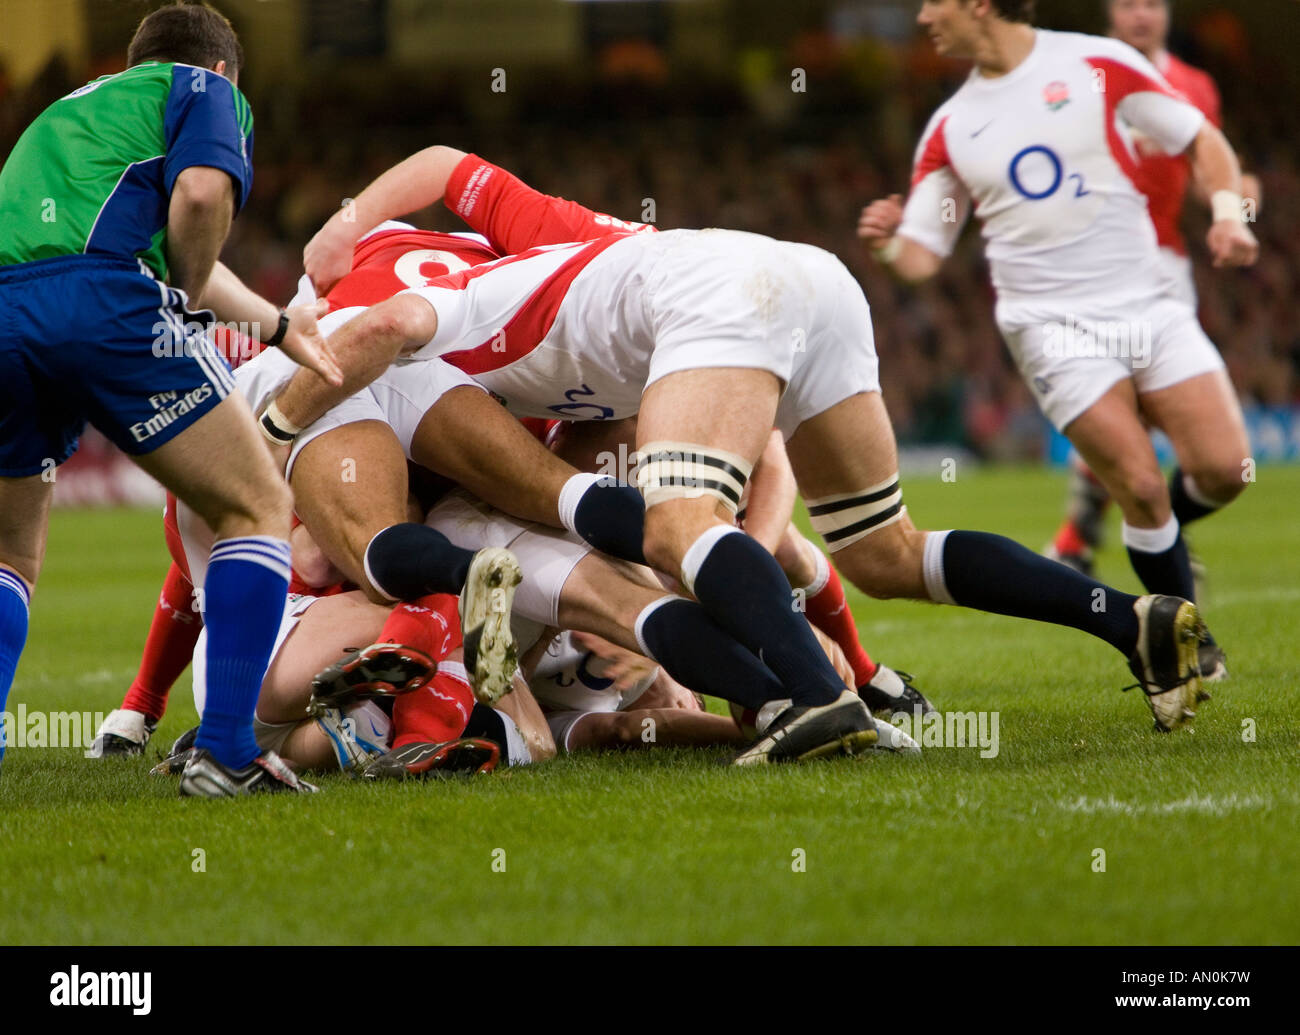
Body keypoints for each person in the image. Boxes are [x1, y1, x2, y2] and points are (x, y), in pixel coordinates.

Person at [265, 147, 1212, 753]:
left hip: (719, 299)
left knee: (682, 526)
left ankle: (813, 697)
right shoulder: (544, 241)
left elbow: (388, 323)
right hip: (809, 281)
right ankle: (1131, 618)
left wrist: (269, 434)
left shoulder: (454, 317)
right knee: (882, 549)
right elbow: (446, 165)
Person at [858, 0, 1256, 683]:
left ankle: (1161, 574)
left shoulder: (1097, 65)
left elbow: (1202, 140)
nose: (924, 17)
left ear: (980, 4)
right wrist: (891, 245)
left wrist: (1228, 214)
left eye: (934, 3)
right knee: (1138, 484)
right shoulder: (951, 126)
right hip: (1051, 325)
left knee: (1224, 469)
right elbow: (924, 255)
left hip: (1151, 300)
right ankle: (1184, 642)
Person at [0, 2, 342, 795]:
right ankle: (227, 750)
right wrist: (176, 302)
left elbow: (163, 232)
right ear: (222, 68)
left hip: (8, 310)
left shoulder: (69, 113)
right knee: (256, 504)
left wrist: (280, 326)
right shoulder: (204, 84)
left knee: (12, 553)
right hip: (103, 305)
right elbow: (198, 199)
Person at [1046, 0, 1260, 619]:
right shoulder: (1078, 77)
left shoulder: (1192, 86)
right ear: (1109, 12)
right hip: (1088, 273)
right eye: (1128, 3)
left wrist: (1236, 207)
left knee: (1199, 447)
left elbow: (1208, 176)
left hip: (1163, 269)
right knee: (1120, 415)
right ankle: (1083, 542)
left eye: (1152, 3)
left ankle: (1110, 537)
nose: (1141, 14)